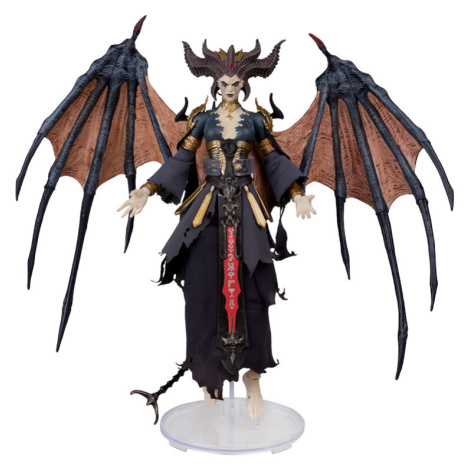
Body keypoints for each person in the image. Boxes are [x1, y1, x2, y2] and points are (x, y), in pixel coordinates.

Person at [118, 41, 316, 419]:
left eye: (235, 84)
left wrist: (297, 193)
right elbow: (181, 159)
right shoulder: (203, 121)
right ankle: (209, 376)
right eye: (223, 83)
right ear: (215, 84)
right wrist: (147, 189)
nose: (229, 89)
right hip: (207, 210)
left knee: (254, 292)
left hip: (247, 211)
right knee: (201, 291)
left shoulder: (254, 122)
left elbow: (274, 160)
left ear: (244, 85)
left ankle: (253, 376)